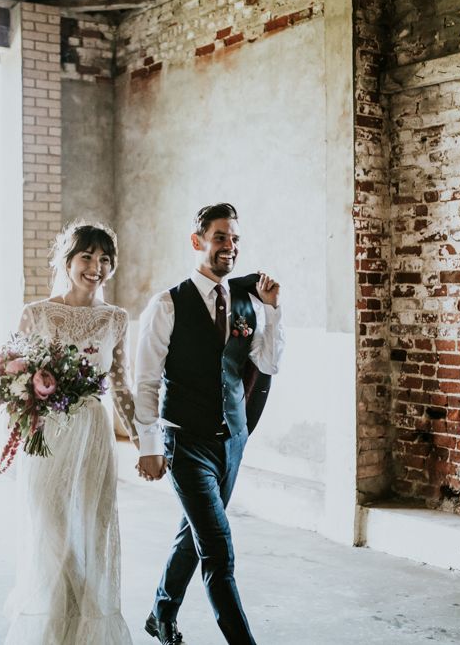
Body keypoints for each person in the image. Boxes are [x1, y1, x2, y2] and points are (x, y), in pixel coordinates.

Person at [134, 203, 284, 645]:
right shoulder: (167, 304)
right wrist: (148, 444)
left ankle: (160, 612)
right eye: (221, 237)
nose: (230, 247)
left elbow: (267, 362)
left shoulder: (246, 301)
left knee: (193, 533)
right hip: (185, 443)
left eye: (235, 239)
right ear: (197, 241)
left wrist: (272, 309)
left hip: (231, 443)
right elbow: (144, 380)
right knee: (217, 549)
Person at [5, 222, 138, 645]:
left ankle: (85, 630)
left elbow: (120, 384)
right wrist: (20, 431)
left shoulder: (116, 318)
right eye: (87, 257)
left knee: (90, 534)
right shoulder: (37, 313)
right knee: (53, 532)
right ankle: (52, 629)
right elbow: (14, 380)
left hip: (93, 436)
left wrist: (143, 441)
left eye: (105, 259)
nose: (96, 267)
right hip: (47, 437)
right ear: (67, 259)